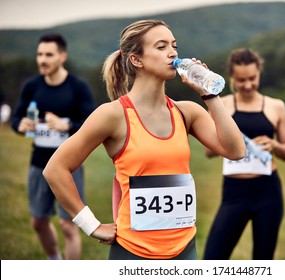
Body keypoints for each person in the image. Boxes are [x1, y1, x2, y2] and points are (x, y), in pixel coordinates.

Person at [42, 19, 245, 260]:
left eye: (174, 46)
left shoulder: (187, 112)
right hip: (133, 252)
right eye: (161, 47)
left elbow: (236, 151)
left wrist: (210, 94)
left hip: (185, 249)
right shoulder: (112, 115)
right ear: (136, 60)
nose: (173, 53)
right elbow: (55, 169)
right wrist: (91, 225)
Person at [11, 33, 96, 260]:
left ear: (62, 57)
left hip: (70, 165)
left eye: (49, 54)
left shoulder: (78, 87)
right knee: (38, 222)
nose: (42, 60)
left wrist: (66, 124)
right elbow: (16, 118)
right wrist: (21, 124)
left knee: (69, 225)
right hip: (39, 163)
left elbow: (92, 124)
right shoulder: (31, 86)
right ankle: (54, 262)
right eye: (39, 54)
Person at [203, 48, 285, 260]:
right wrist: (232, 143)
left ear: (259, 72)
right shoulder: (221, 104)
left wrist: (273, 145)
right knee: (213, 258)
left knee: (263, 260)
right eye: (241, 80)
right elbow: (208, 151)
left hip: (267, 192)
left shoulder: (276, 106)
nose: (248, 84)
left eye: (252, 78)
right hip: (234, 193)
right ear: (232, 77)